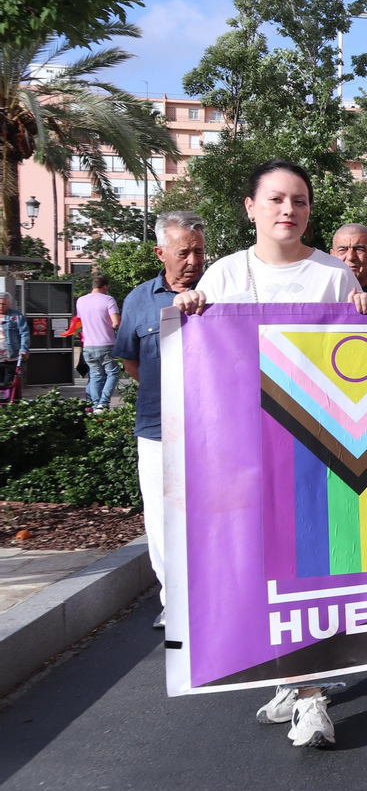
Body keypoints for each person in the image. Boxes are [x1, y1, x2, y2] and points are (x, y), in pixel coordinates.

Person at [173, 161, 367, 750]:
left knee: (309, 569)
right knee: (262, 570)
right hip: (243, 450)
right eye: (276, 200)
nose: (288, 210)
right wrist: (190, 312)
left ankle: (310, 698)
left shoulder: (334, 275)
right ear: (250, 207)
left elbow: (358, 357)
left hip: (315, 446)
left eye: (299, 201)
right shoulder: (223, 273)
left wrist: (366, 312)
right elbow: (204, 362)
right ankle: (293, 679)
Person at [114, 211, 206, 630]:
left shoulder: (219, 291)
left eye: (199, 251)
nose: (193, 261)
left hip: (213, 429)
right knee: (161, 520)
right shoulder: (137, 300)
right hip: (155, 429)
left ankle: (213, 597)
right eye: (183, 252)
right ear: (160, 253)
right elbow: (132, 362)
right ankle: (175, 601)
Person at [76, 275, 121, 412]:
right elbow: (116, 323)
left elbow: (80, 320)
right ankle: (103, 403)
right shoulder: (108, 299)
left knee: (95, 375)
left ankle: (95, 406)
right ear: (105, 286)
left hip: (88, 345)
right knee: (113, 373)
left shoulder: (80, 301)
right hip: (106, 343)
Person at [330, 223, 367, 296]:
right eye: (343, 250)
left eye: (359, 250)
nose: (350, 257)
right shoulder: (322, 292)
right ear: (332, 256)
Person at [0, 291, 28, 393]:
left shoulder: (16, 316)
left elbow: (24, 333)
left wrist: (24, 349)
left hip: (10, 356)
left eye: (3, 304)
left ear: (8, 303)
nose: (1, 306)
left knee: (8, 384)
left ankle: (10, 404)